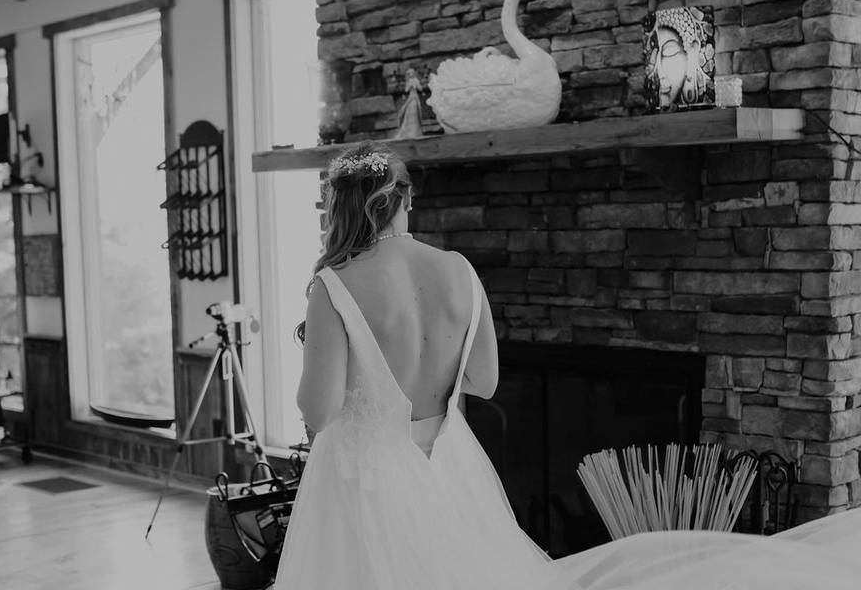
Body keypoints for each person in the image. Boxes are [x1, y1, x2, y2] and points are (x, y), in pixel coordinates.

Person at [274, 142, 861, 590]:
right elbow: (485, 381)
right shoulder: (457, 269)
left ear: (341, 209)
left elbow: (317, 410)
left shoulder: (334, 285)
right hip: (449, 466)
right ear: (404, 200)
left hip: (365, 477)